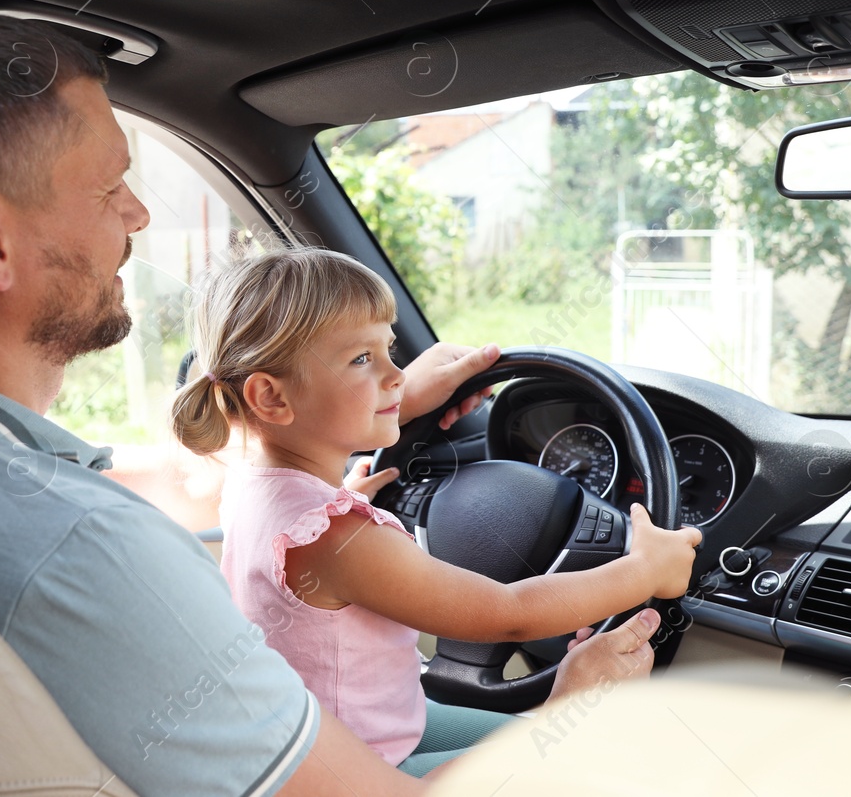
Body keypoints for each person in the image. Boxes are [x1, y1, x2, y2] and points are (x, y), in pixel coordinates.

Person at [0, 12, 672, 797]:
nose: (137, 214)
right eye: (108, 188)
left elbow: (183, 486)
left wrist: (385, 400)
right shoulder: (81, 548)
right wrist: (569, 707)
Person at [170, 247, 703, 777]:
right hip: (364, 770)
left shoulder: (255, 479)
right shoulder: (335, 538)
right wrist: (644, 570)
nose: (396, 375)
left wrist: (352, 485)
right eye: (362, 359)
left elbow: (305, 493)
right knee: (588, 759)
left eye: (389, 351)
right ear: (270, 397)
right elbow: (509, 614)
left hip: (357, 732)